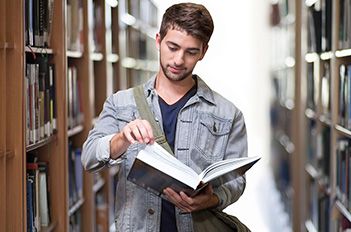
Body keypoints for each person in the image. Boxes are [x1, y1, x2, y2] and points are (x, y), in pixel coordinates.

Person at [81, 2, 248, 231]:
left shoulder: (229, 115)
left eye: (191, 52)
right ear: (158, 40)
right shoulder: (121, 104)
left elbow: (236, 182)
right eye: (173, 47)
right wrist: (121, 139)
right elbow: (89, 158)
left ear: (204, 52)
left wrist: (212, 199)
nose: (179, 60)